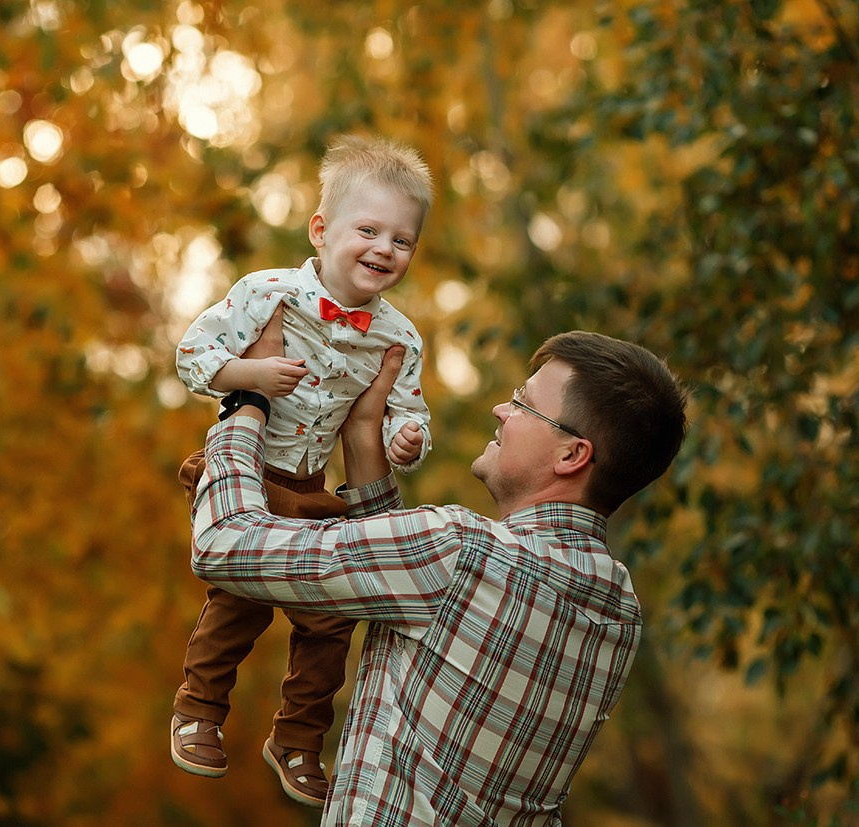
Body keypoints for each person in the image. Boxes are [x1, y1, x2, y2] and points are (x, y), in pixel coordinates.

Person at [187, 317, 689, 825]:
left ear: (571, 455)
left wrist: (247, 402)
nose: (502, 408)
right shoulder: (618, 608)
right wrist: (363, 432)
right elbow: (419, 596)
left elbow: (223, 543)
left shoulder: (461, 554)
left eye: (524, 404)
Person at [170, 135, 435, 808]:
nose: (383, 249)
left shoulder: (399, 336)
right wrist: (252, 373)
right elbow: (192, 353)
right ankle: (198, 708)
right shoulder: (267, 294)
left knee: (329, 619)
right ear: (321, 231)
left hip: (312, 488)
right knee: (239, 602)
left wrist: (408, 437)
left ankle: (298, 738)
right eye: (367, 230)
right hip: (249, 471)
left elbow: (409, 407)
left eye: (401, 240)